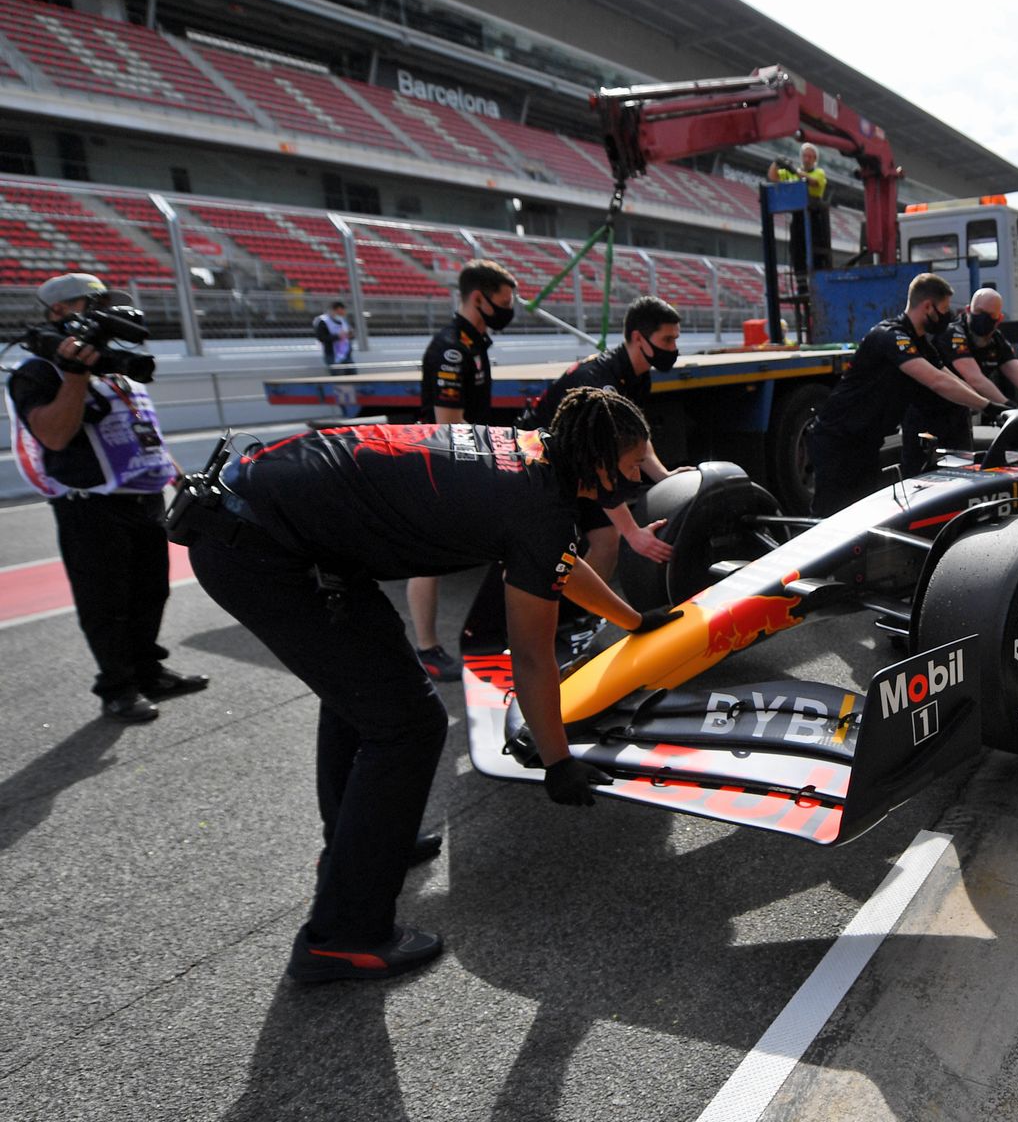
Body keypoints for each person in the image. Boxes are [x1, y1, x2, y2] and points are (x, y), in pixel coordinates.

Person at [187, 388, 673, 982]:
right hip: (258, 548)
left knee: (365, 691)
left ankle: (355, 844)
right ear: (596, 460)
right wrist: (557, 761)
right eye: (632, 465)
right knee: (408, 726)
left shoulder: (531, 452)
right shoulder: (538, 505)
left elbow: (559, 565)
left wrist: (632, 620)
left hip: (269, 521)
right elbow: (530, 654)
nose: (636, 479)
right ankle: (342, 937)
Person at [6, 273, 209, 723]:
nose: (107, 314)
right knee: (105, 602)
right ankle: (117, 688)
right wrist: (75, 373)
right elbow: (54, 436)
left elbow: (144, 431)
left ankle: (148, 672)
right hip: (90, 503)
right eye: (93, 304)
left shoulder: (115, 366)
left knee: (151, 592)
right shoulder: (37, 371)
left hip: (143, 497)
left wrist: (178, 478)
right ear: (59, 312)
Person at [520, 295, 680, 584]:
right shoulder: (599, 382)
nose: (673, 349)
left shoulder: (639, 375)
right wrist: (633, 533)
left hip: (575, 464)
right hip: (537, 467)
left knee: (606, 540)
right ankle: (561, 606)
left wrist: (664, 477)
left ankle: (581, 609)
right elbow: (601, 463)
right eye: (667, 340)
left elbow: (636, 439)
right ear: (638, 338)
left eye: (675, 340)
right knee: (569, 546)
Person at [410, 259, 518, 681]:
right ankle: (426, 650)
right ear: (478, 298)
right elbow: (450, 425)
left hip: (466, 458)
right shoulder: (452, 349)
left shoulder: (473, 343)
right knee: (427, 559)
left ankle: (499, 633)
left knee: (507, 541)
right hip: (443, 463)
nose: (509, 310)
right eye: (504, 302)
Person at [806, 273, 992, 515]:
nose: (947, 316)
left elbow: (948, 376)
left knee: (861, 516)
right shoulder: (889, 335)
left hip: (866, 442)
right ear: (928, 306)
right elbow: (936, 381)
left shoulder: (920, 342)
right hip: (838, 440)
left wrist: (992, 404)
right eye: (945, 309)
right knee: (832, 517)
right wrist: (987, 406)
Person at [900, 287, 1018, 472]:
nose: (983, 318)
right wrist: (1007, 408)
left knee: (961, 471)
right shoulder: (953, 333)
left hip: (959, 414)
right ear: (968, 310)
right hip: (925, 414)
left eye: (990, 315)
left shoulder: (996, 340)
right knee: (919, 475)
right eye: (979, 312)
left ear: (999, 318)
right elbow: (975, 379)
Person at [767, 143, 831, 272]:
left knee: (816, 250)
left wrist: (795, 171)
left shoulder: (819, 172)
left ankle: (818, 274)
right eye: (805, 156)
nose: (807, 159)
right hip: (798, 215)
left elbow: (813, 182)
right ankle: (800, 279)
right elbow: (772, 177)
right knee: (797, 249)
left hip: (814, 216)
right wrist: (776, 162)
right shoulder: (792, 173)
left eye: (810, 157)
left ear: (815, 159)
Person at [313, 299, 358, 417]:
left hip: (346, 355)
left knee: (353, 379)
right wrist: (337, 336)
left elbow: (349, 335)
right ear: (335, 310)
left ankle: (357, 407)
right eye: (341, 310)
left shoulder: (343, 321)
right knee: (340, 383)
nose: (343, 312)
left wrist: (350, 335)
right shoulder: (323, 321)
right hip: (333, 356)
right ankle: (346, 410)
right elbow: (321, 338)